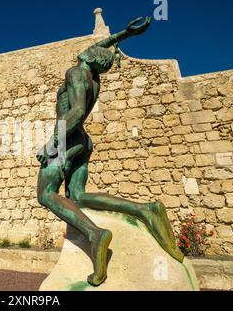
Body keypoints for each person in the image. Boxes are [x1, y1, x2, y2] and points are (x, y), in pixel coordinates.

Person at [36, 17, 184, 286]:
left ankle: (95, 235)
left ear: (91, 58)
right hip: (82, 140)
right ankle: (145, 209)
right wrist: (123, 35)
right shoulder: (92, 78)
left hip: (67, 138)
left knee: (46, 194)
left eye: (93, 51)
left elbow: (77, 112)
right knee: (78, 196)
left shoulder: (75, 73)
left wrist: (52, 142)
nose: (90, 48)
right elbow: (98, 48)